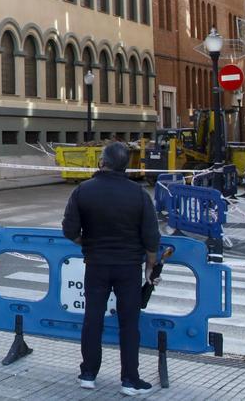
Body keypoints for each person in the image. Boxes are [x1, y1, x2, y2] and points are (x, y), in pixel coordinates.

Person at [62, 141, 160, 396]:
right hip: (128, 267)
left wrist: (87, 243)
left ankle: (88, 374)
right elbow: (151, 236)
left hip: (95, 264)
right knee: (129, 323)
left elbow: (69, 230)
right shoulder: (139, 194)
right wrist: (150, 266)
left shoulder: (83, 190)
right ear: (126, 166)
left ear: (102, 162)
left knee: (92, 319)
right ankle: (130, 379)